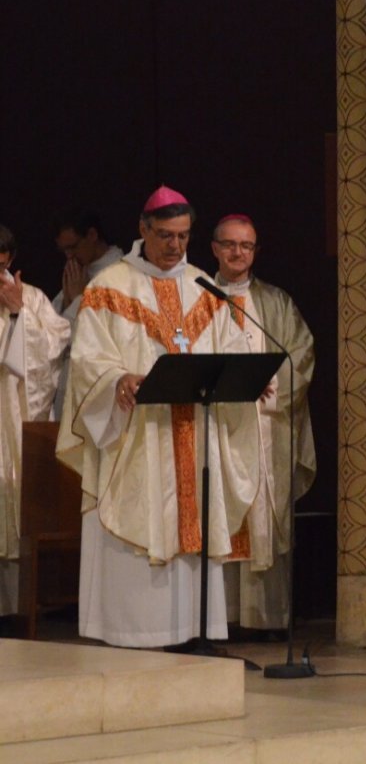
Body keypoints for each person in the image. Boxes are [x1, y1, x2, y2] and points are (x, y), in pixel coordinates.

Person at [56, 186, 260, 648]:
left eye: (184, 236)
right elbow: (88, 358)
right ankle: (135, 631)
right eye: (166, 235)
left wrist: (244, 377)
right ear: (142, 230)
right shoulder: (110, 287)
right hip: (138, 435)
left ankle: (193, 632)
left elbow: (226, 343)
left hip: (194, 432)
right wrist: (116, 380)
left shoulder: (203, 287)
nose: (176, 246)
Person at [211, 214, 316, 634]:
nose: (239, 253)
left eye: (247, 246)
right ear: (215, 248)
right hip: (218, 426)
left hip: (264, 422)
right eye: (231, 245)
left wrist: (270, 385)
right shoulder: (198, 296)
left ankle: (265, 618)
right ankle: (223, 617)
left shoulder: (275, 302)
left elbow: (301, 352)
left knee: (264, 517)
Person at [0, 225, 71, 616]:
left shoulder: (33, 299)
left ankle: (14, 611)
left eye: (3, 262)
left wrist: (17, 313)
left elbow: (54, 348)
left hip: (16, 421)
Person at [50, 208, 123, 419]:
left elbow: (98, 335)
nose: (69, 256)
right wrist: (67, 302)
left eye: (73, 247)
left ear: (92, 235)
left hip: (102, 386)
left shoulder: (118, 274)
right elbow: (55, 335)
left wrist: (77, 302)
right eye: (64, 250)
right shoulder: (78, 273)